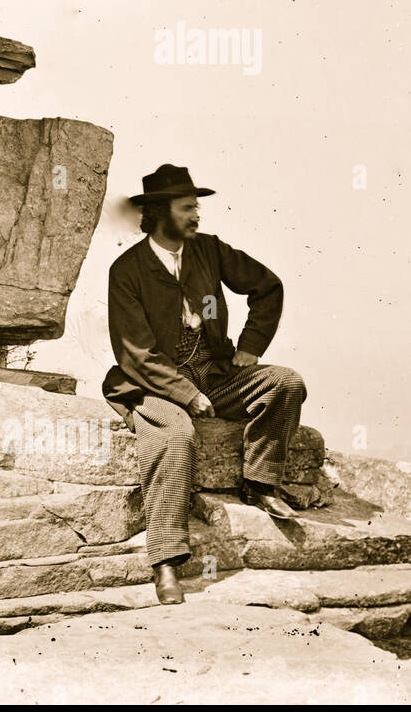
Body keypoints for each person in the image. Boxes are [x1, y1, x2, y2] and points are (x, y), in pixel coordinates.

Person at [102, 164, 307, 605]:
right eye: (187, 207)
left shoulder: (209, 251)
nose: (197, 216)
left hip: (215, 375)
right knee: (176, 436)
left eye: (197, 207)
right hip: (152, 384)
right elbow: (135, 352)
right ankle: (167, 564)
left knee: (284, 383)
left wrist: (251, 347)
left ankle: (262, 483)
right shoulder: (127, 270)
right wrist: (185, 394)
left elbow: (268, 286)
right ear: (160, 212)